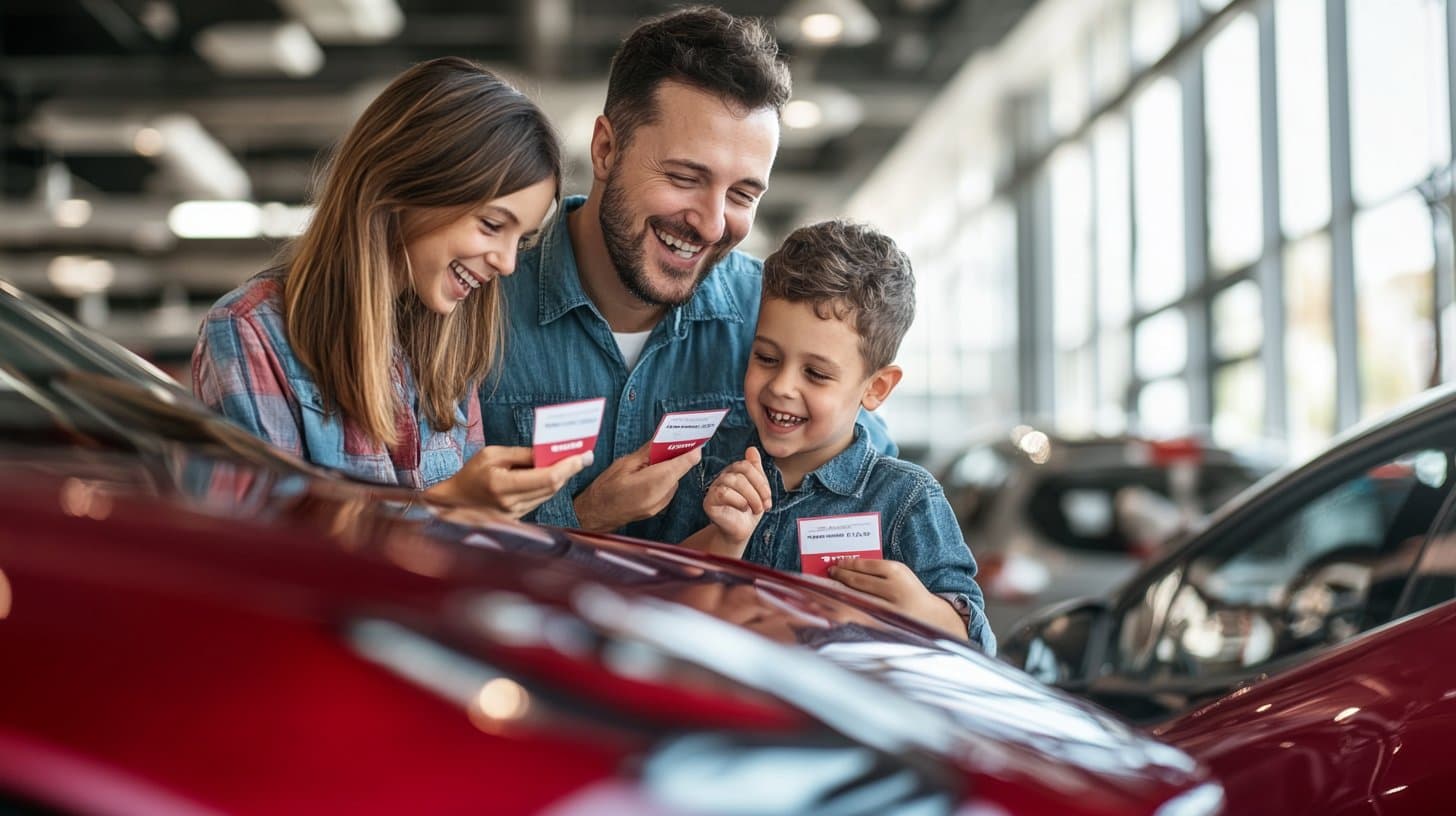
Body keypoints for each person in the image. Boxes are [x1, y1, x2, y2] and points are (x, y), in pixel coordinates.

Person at [479, 6, 893, 540]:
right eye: (684, 176)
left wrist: (937, 598)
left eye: (743, 194)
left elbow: (871, 481)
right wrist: (580, 519)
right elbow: (426, 526)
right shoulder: (480, 298)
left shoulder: (771, 317)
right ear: (605, 149)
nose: (713, 222)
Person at [192, 57, 589, 517]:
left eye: (521, 239)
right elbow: (261, 551)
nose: (505, 263)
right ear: (405, 186)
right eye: (491, 224)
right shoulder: (250, 335)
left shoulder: (450, 349)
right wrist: (446, 507)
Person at [661, 220, 994, 650]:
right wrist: (725, 540)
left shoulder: (906, 498)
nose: (781, 386)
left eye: (816, 373)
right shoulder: (705, 467)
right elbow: (657, 607)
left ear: (876, 388)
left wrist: (923, 612)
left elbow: (978, 648)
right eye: (765, 357)